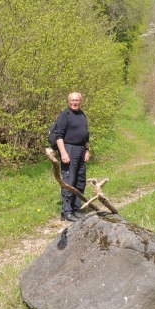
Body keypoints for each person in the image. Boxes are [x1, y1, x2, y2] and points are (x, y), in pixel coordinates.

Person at [52, 92, 90, 222]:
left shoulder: (82, 114)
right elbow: (58, 136)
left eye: (77, 100)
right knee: (69, 180)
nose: (74, 102)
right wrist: (63, 153)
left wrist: (87, 149)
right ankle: (66, 211)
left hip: (81, 150)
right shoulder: (65, 115)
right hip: (69, 149)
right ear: (68, 101)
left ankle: (75, 208)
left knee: (80, 180)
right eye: (72, 100)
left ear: (81, 101)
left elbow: (86, 135)